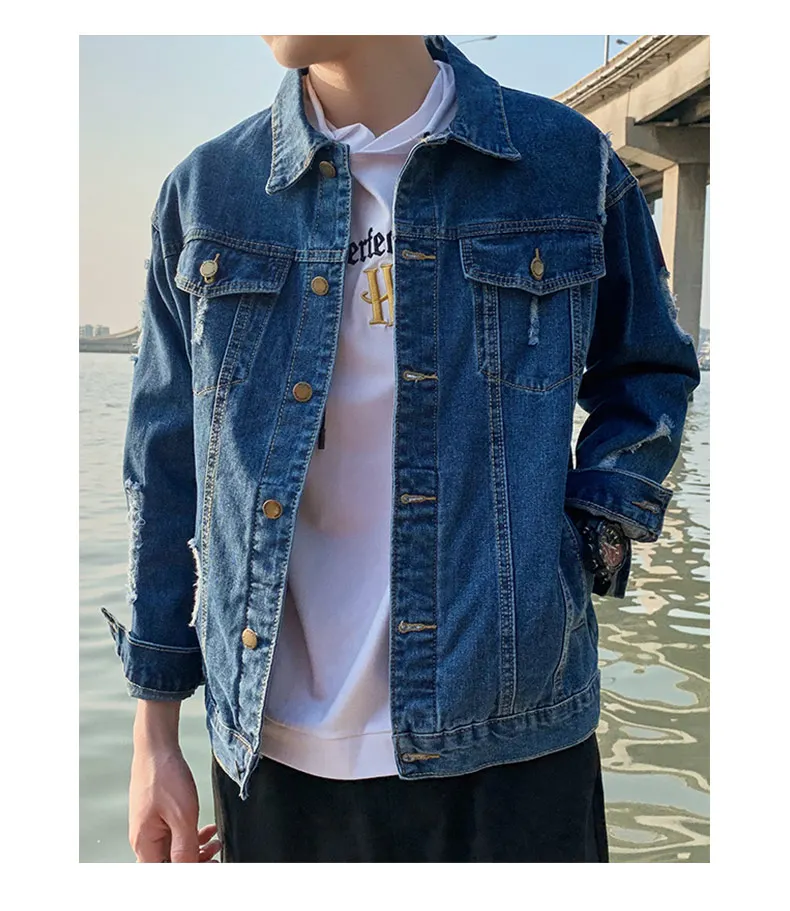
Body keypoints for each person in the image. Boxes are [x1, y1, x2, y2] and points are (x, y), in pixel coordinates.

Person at [102, 34, 701, 863]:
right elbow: (165, 472)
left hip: (516, 740)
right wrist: (154, 734)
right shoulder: (207, 195)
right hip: (274, 756)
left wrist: (582, 538)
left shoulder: (567, 164)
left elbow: (650, 369)